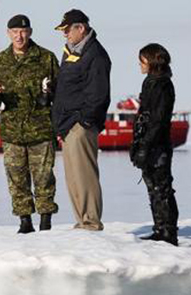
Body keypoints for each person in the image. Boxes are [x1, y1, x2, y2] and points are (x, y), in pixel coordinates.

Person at [0, 15, 60, 233]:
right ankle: (25, 221)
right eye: (15, 31)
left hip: (41, 128)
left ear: (30, 32)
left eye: (23, 31)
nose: (19, 36)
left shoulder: (46, 58)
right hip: (13, 131)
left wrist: (50, 93)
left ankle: (45, 220)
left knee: (44, 177)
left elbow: (61, 92)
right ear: (8, 33)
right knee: (16, 179)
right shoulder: (0, 61)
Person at [52, 9, 111, 231]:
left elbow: (98, 93)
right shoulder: (72, 52)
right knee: (74, 177)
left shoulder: (94, 54)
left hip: (80, 124)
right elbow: (70, 87)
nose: (65, 34)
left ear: (81, 28)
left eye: (67, 30)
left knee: (84, 175)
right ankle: (82, 220)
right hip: (68, 125)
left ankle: (91, 221)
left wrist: (85, 121)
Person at [130, 43, 179, 246]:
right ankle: (159, 228)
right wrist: (138, 144)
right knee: (153, 187)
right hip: (147, 141)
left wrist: (145, 146)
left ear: (150, 61)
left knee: (162, 187)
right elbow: (145, 115)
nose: (139, 64)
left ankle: (168, 231)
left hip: (158, 144)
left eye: (141, 60)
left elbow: (158, 120)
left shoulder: (163, 85)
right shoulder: (149, 82)